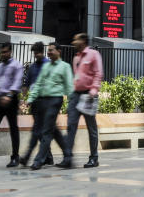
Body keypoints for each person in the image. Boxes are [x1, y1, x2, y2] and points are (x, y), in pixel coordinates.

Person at [27, 43, 74, 167]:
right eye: (48, 51)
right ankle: (68, 155)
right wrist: (30, 99)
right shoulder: (46, 66)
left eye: (51, 50)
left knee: (46, 130)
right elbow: (38, 84)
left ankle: (39, 160)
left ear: (59, 51)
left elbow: (69, 87)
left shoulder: (65, 67)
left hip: (55, 100)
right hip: (43, 100)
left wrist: (71, 104)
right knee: (53, 130)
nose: (49, 53)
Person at [64, 33, 103, 168]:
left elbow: (98, 74)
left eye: (76, 39)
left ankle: (94, 158)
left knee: (91, 127)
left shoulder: (93, 54)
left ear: (83, 41)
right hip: (76, 95)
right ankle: (68, 157)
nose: (73, 42)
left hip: (88, 95)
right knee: (71, 125)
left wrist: (94, 90)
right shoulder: (76, 57)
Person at [19, 42, 47, 166]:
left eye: (37, 53)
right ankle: (49, 156)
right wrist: (25, 99)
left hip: (45, 101)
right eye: (35, 53)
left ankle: (28, 156)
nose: (36, 55)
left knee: (37, 130)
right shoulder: (33, 67)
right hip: (35, 102)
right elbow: (26, 84)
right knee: (42, 131)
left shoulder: (48, 65)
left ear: (42, 51)